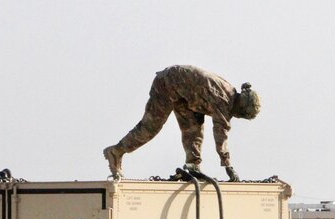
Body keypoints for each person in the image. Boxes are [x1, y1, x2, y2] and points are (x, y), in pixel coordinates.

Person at [103, 65, 262, 181]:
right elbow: (221, 134)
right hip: (168, 84)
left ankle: (193, 165)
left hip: (185, 96)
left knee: (194, 129)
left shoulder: (229, 93)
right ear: (241, 108)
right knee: (150, 127)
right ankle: (116, 151)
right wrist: (228, 165)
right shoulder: (224, 101)